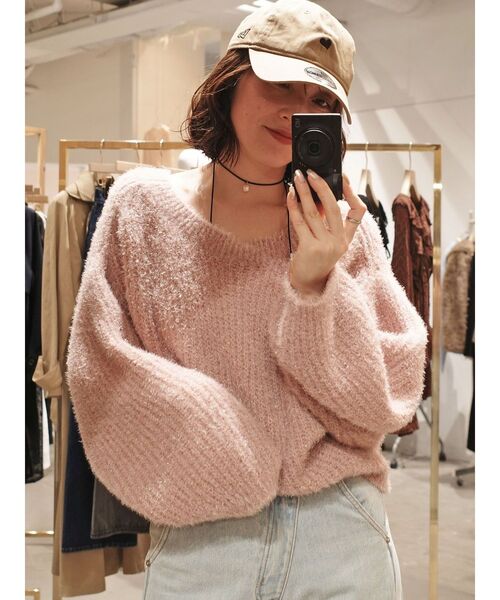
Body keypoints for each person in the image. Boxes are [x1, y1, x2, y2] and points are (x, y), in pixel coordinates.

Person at [66, 0, 427, 598]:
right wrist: (224, 439)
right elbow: (100, 367)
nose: (296, 111)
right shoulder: (142, 208)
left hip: (340, 530)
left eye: (320, 101)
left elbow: (387, 396)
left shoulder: (342, 227)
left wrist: (313, 286)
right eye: (279, 84)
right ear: (230, 80)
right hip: (203, 538)